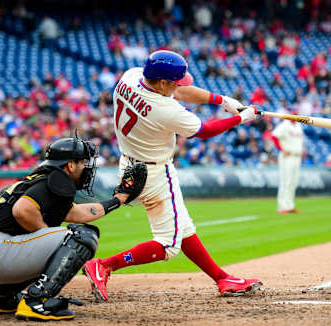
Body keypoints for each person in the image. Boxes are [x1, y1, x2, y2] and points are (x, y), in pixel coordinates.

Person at [83, 50, 261, 301]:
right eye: (174, 82)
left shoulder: (131, 76)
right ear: (163, 82)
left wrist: (222, 100)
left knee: (183, 228)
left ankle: (222, 278)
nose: (178, 85)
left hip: (131, 164)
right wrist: (240, 119)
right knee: (168, 244)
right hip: (154, 172)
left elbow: (179, 91)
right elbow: (205, 130)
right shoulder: (165, 109)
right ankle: (105, 265)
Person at [0, 136, 145, 321]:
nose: (87, 168)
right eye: (83, 162)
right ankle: (36, 301)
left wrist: (119, 199)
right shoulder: (54, 181)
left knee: (66, 239)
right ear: (70, 165)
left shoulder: (42, 180)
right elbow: (22, 210)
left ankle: (1, 299)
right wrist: (44, 233)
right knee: (81, 236)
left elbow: (80, 214)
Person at [271, 109, 304, 214]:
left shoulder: (298, 126)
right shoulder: (285, 124)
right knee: (286, 181)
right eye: (294, 114)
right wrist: (281, 149)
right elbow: (274, 136)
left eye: (296, 114)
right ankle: (282, 207)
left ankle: (290, 206)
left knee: (293, 182)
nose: (295, 115)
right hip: (287, 156)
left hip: (297, 155)